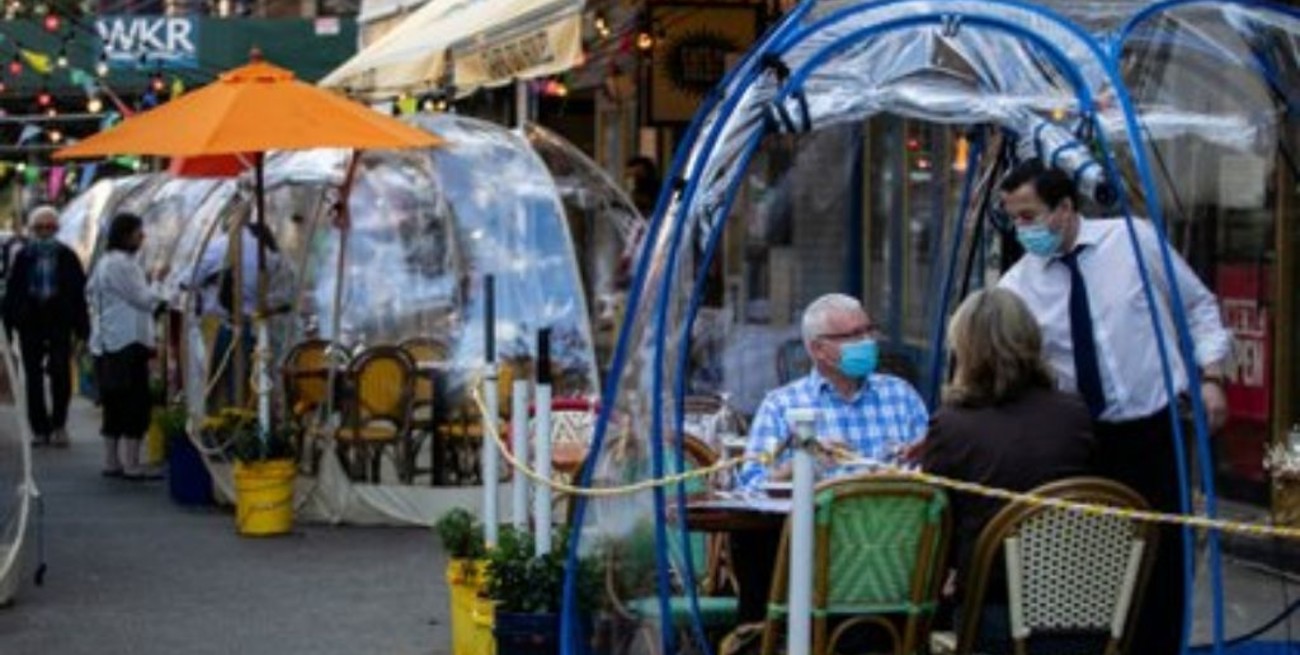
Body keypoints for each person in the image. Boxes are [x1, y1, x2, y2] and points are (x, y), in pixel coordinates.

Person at [996, 158, 1232, 655]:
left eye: (1029, 215)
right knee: (1094, 571)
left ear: (1064, 208)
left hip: (1157, 427)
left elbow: (1198, 306)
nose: (1021, 229)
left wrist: (1211, 377)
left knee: (1167, 562)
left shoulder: (1133, 241)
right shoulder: (1016, 288)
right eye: (1013, 218)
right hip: (1083, 438)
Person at [921, 288, 1094, 651]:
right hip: (1081, 606)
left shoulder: (951, 425)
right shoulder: (1074, 414)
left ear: (965, 350)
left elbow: (936, 528)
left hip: (994, 612)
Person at [737, 293, 928, 489]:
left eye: (869, 330)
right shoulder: (780, 406)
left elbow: (933, 474)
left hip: (893, 507)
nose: (868, 341)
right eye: (854, 335)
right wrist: (802, 464)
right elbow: (751, 485)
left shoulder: (901, 395)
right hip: (818, 509)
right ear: (818, 349)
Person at [2, 205, 89, 447]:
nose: (44, 232)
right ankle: (39, 429)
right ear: (32, 229)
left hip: (59, 321)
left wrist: (82, 327)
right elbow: (13, 292)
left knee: (61, 373)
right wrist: (9, 325)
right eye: (39, 228)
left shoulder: (67, 256)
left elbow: (78, 293)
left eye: (49, 227)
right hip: (31, 322)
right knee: (33, 377)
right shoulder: (23, 256)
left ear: (56, 229)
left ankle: (59, 424)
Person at [86, 213, 166, 479]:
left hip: (109, 340)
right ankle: (131, 464)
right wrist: (159, 280)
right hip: (128, 340)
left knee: (114, 401)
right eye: (138, 233)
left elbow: (91, 292)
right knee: (135, 401)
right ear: (125, 235)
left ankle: (112, 461)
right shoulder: (122, 265)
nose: (142, 238)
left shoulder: (105, 262)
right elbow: (144, 299)